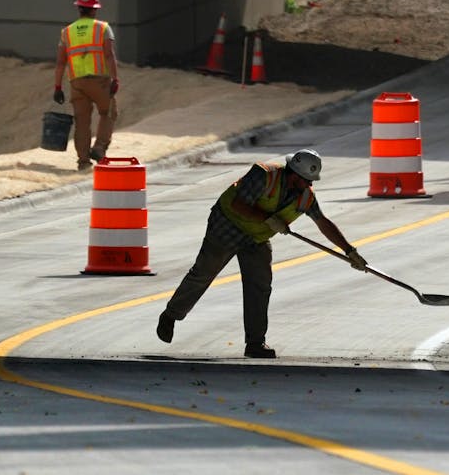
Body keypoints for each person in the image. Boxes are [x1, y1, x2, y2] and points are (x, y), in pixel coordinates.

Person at [156, 149, 367, 359]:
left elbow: (323, 222)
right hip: (226, 226)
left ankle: (255, 343)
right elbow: (237, 204)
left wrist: (349, 251)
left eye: (311, 181)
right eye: (306, 181)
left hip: (256, 239)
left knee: (260, 285)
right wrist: (267, 218)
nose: (309, 186)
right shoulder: (264, 175)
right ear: (293, 175)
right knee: (203, 273)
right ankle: (170, 315)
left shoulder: (306, 198)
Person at [51, 0, 119, 170]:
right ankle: (99, 148)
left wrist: (58, 87)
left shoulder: (67, 32)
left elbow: (60, 63)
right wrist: (115, 79)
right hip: (100, 81)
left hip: (77, 83)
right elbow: (109, 56)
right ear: (94, 9)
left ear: (79, 8)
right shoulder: (103, 28)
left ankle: (83, 162)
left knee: (82, 122)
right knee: (108, 112)